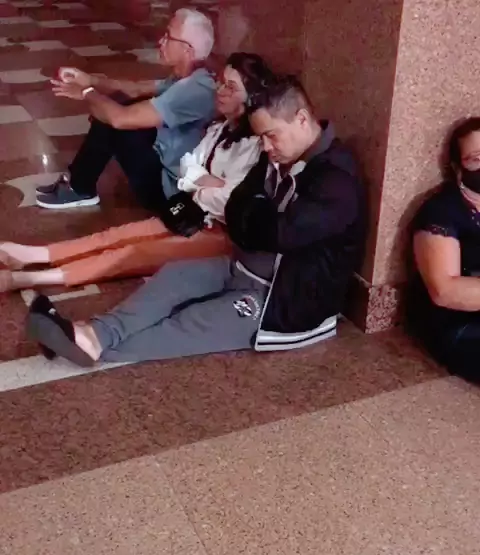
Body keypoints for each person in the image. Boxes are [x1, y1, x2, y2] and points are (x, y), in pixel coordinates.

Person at [26, 75, 366, 367]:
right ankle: (95, 334)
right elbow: (237, 206)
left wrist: (254, 211)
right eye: (262, 137)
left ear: (302, 119)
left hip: (286, 302)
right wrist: (253, 211)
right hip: (242, 268)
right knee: (176, 276)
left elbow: (277, 233)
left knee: (192, 323)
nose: (265, 147)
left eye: (271, 135)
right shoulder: (279, 155)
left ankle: (88, 346)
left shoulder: (336, 182)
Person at [0, 53, 272, 293]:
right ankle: (33, 254)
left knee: (132, 253)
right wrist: (205, 182)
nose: (220, 91)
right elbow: (189, 166)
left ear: (251, 97)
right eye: (221, 82)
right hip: (191, 211)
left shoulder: (255, 146)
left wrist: (199, 182)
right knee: (116, 235)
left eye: (231, 87)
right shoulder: (219, 129)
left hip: (223, 236)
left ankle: (30, 278)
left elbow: (230, 200)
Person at [33, 8, 217, 212]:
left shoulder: (195, 89)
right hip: (164, 160)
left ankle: (80, 187)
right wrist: (90, 80)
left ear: (187, 50)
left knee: (115, 120)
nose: (161, 41)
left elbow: (119, 119)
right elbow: (135, 88)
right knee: (117, 105)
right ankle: (78, 183)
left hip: (172, 191)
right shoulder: (189, 77)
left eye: (168, 37)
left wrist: (86, 92)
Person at [408, 117, 480, 383]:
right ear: (457, 168)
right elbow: (444, 291)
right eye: (477, 158)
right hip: (459, 324)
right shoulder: (441, 211)